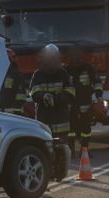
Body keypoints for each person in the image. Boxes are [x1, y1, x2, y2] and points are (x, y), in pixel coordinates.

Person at [29, 44, 75, 180]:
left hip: (61, 119)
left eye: (54, 59)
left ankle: (61, 173)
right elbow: (33, 92)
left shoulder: (63, 74)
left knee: (62, 148)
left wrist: (57, 99)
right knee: (44, 148)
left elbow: (71, 93)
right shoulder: (38, 75)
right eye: (49, 59)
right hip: (44, 119)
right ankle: (46, 173)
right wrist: (43, 97)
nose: (52, 62)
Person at [65, 47, 104, 158]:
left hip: (85, 104)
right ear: (71, 57)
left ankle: (84, 150)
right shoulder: (66, 70)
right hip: (71, 105)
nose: (77, 59)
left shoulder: (88, 68)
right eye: (74, 56)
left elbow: (97, 82)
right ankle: (71, 150)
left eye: (79, 56)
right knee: (71, 129)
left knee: (85, 129)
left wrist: (99, 96)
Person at [0, 48, 29, 116]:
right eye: (13, 57)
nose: (15, 59)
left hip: (13, 114)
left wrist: (15, 110)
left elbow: (21, 95)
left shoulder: (16, 74)